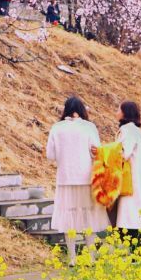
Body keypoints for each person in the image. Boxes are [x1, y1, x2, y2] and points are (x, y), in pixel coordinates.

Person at [45, 96, 106, 264]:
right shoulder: (89, 127)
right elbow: (97, 151)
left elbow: (50, 155)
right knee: (89, 217)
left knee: (68, 218)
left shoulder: (57, 128)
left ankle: (72, 258)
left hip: (65, 179)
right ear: (81, 110)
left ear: (66, 109)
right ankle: (91, 258)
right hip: (86, 178)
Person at [114, 101, 141, 244]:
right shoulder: (136, 130)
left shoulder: (127, 130)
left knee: (129, 218)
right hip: (138, 180)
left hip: (130, 181)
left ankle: (133, 249)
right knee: (137, 219)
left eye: (119, 109)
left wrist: (103, 152)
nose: (116, 112)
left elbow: (123, 153)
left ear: (125, 113)